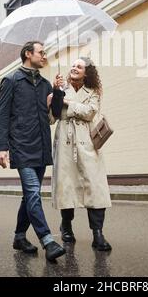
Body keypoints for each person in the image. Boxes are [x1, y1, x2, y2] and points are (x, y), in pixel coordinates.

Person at [0, 41, 66, 262]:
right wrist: (1, 147)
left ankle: (19, 237)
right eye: (41, 52)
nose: (45, 56)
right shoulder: (11, 80)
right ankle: (47, 240)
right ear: (28, 54)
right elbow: (3, 115)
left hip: (41, 146)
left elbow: (53, 116)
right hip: (21, 146)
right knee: (34, 192)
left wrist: (57, 91)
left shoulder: (45, 84)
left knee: (29, 195)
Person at [50, 57, 112, 251]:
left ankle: (98, 234)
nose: (75, 68)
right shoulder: (59, 89)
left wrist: (67, 102)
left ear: (87, 72)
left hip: (87, 142)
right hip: (65, 142)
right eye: (73, 65)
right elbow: (52, 118)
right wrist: (55, 93)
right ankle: (66, 227)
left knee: (95, 185)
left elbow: (90, 113)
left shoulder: (93, 91)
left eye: (80, 66)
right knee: (66, 185)